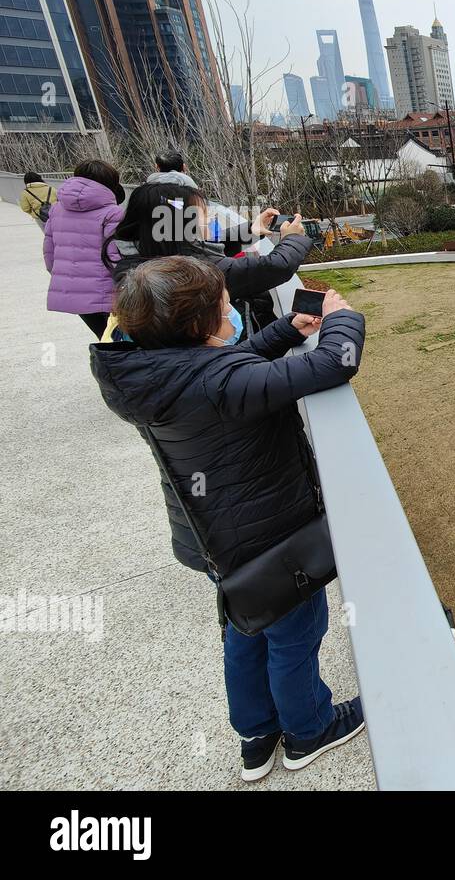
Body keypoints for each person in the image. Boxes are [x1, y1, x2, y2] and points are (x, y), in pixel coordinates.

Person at [90, 255, 368, 781]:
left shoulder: (148, 371)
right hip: (268, 541)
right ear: (201, 325)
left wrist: (287, 328)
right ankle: (309, 731)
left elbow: (227, 368)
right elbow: (336, 362)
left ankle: (256, 738)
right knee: (294, 635)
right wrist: (340, 318)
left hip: (216, 541)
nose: (230, 307)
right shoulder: (217, 381)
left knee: (245, 631)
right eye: (223, 302)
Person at [108, 182, 311, 335]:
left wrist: (252, 230)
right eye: (203, 214)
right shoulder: (190, 274)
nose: (210, 219)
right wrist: (293, 239)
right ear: (181, 225)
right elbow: (274, 267)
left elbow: (205, 246)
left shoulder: (149, 256)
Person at [42, 160, 126, 336]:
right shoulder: (113, 213)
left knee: (106, 341)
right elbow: (116, 259)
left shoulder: (56, 209)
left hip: (73, 293)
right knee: (124, 346)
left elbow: (50, 255)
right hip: (108, 294)